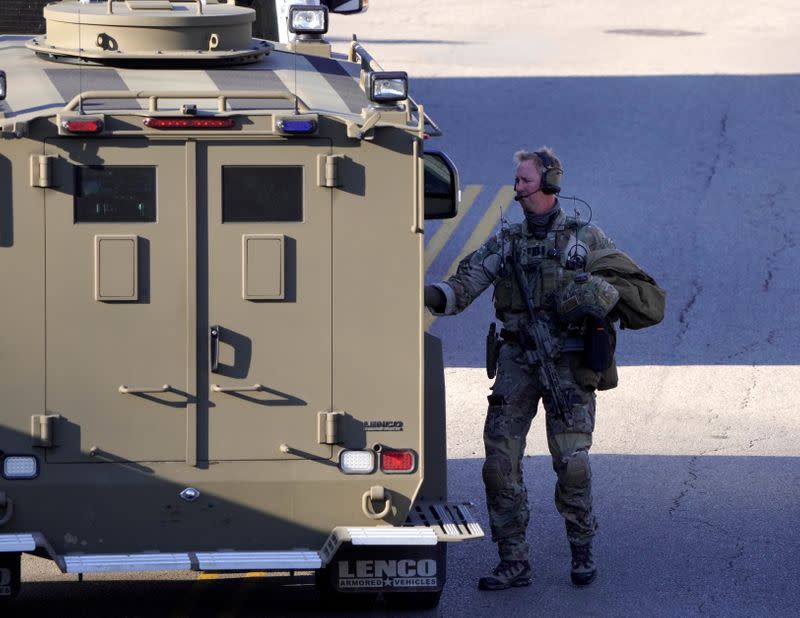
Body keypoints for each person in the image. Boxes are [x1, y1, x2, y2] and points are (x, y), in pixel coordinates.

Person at [425, 147, 662, 591]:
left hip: (568, 363)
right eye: (516, 182)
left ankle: (582, 548)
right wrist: (427, 294)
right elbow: (464, 286)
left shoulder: (584, 238)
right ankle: (513, 561)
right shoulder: (507, 241)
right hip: (516, 360)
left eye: (525, 182)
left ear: (551, 183)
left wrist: (595, 295)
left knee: (572, 463)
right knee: (498, 464)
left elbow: (633, 290)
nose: (516, 190)